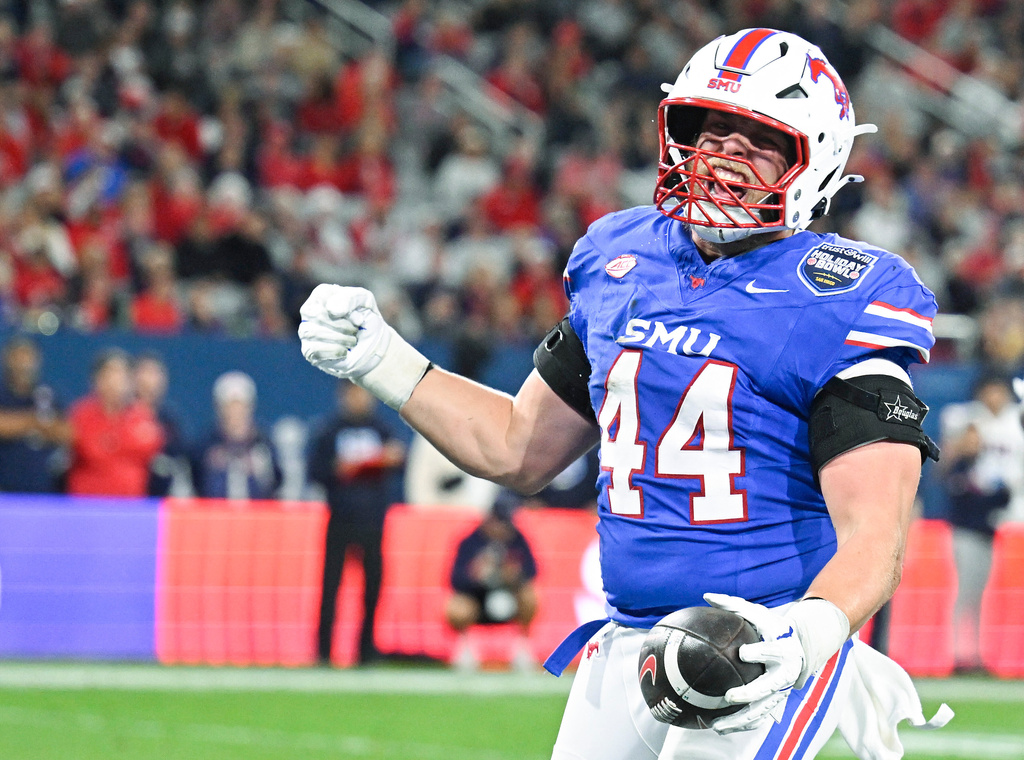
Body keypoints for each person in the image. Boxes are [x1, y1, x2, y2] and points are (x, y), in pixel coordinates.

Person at [299, 28, 951, 760]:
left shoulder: (836, 293)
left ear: (816, 157)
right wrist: (384, 359)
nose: (724, 154)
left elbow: (876, 535)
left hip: (758, 647)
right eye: (710, 128)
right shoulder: (623, 260)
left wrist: (808, 636)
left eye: (759, 139)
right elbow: (517, 446)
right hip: (627, 637)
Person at [307, 380, 405, 666]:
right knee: (330, 586)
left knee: (373, 587)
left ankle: (366, 650)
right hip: (340, 518)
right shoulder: (329, 431)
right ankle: (324, 651)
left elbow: (400, 461)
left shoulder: (381, 429)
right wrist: (338, 470)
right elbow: (316, 472)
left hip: (373, 521)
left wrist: (390, 459)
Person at [939, 375, 1024, 674]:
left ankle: (971, 654)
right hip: (966, 531)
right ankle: (956, 654)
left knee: (977, 595)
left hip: (985, 532)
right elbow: (969, 494)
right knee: (965, 594)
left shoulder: (978, 464)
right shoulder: (961, 466)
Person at [445, 492, 539, 672]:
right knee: (456, 606)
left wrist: (514, 575)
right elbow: (454, 580)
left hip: (509, 597)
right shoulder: (471, 541)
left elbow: (533, 572)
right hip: (477, 599)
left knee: (531, 595)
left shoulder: (518, 539)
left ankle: (522, 647)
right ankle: (465, 648)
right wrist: (476, 575)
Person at [67, 348, 164, 497]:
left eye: (123, 374)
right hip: (86, 506)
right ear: (97, 379)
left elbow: (150, 447)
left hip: (129, 508)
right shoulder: (81, 414)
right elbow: (88, 450)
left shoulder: (143, 417)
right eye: (111, 373)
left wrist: (108, 444)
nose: (117, 380)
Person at [192, 371, 282, 500]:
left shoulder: (264, 443)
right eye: (229, 406)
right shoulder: (206, 444)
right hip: (214, 514)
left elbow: (277, 481)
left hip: (258, 515)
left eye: (240, 406)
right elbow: (194, 480)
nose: (235, 412)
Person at [0, 336, 71, 493]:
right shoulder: (3, 393)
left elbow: (66, 432)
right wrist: (34, 422)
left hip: (42, 487)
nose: (24, 362)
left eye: (29, 355)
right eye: (19, 355)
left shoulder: (47, 393)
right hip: (5, 486)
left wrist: (43, 427)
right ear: (8, 358)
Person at [132, 352, 188, 497]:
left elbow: (178, 459)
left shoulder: (169, 420)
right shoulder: (123, 417)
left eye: (155, 374)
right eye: (145, 373)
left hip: (161, 501)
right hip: (127, 499)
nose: (150, 381)